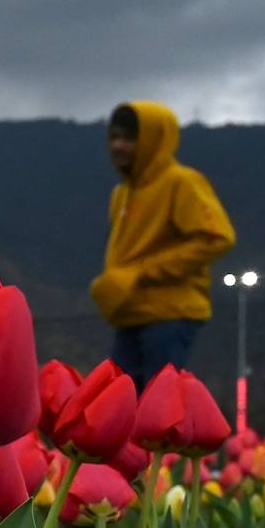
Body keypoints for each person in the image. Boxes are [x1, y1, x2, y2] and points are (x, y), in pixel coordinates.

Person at [90, 101, 235, 390]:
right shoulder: (122, 193)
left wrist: (142, 273)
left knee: (158, 410)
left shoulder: (181, 182)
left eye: (129, 138)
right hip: (130, 312)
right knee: (119, 407)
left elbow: (216, 237)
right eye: (114, 137)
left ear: (154, 140)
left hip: (169, 314)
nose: (118, 146)